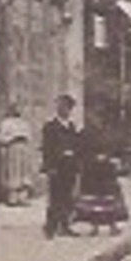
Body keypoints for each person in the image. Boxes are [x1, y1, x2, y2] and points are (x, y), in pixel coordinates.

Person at [41, 94, 83, 238]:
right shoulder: (50, 127)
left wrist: (77, 165)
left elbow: (77, 146)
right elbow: (46, 149)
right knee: (55, 197)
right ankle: (50, 228)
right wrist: (49, 167)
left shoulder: (71, 126)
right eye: (61, 106)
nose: (64, 110)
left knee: (67, 197)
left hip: (69, 166)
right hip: (57, 167)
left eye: (67, 107)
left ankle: (65, 226)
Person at [0, 104, 33, 206]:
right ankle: (12, 198)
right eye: (16, 108)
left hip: (24, 148)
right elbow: (1, 138)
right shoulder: (6, 123)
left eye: (20, 108)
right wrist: (12, 138)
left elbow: (29, 136)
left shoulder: (24, 123)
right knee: (13, 172)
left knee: (24, 171)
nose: (18, 110)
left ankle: (23, 197)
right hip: (12, 148)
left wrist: (24, 138)